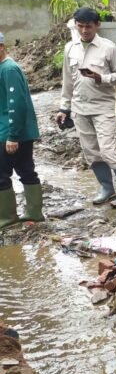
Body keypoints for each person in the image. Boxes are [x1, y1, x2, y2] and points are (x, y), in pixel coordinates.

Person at [55, 7, 116, 207]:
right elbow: (67, 80)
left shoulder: (107, 47)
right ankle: (106, 188)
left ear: (97, 25)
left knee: (107, 149)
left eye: (88, 26)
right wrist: (64, 108)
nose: (84, 31)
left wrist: (102, 77)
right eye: (80, 26)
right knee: (90, 151)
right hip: (79, 108)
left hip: (102, 106)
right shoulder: (70, 48)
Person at [0, 32, 44, 228]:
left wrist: (13, 135)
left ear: (2, 47)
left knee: (6, 174)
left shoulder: (8, 69)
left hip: (12, 133)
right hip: (10, 131)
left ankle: (8, 218)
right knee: (25, 170)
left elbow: (16, 103)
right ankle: (32, 213)